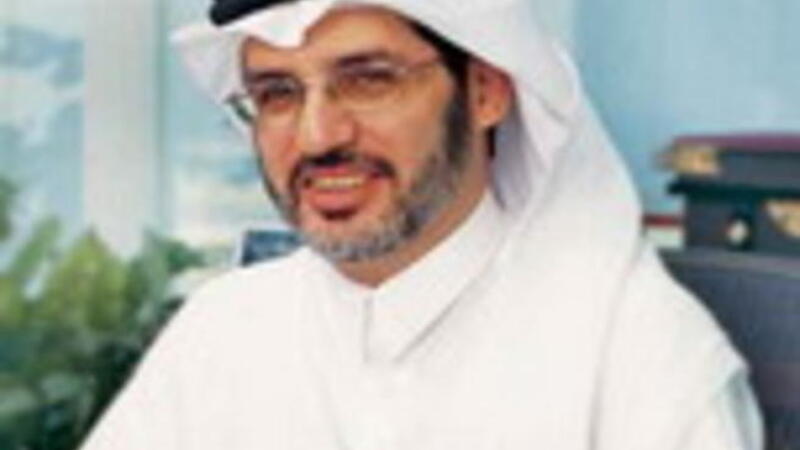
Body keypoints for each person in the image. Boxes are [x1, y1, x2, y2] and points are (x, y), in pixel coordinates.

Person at [82, 0, 764, 448]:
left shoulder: (638, 355)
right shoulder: (225, 329)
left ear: (485, 92)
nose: (318, 136)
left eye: (368, 80)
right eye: (277, 94)